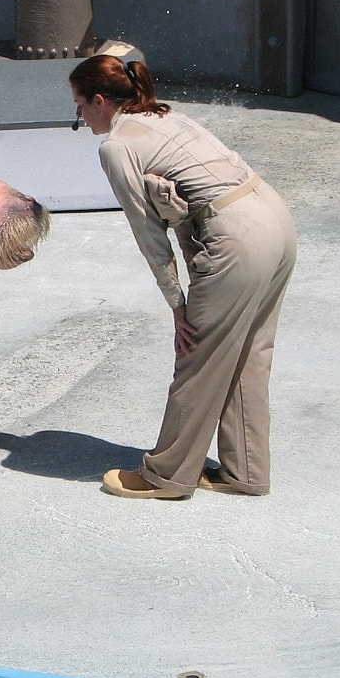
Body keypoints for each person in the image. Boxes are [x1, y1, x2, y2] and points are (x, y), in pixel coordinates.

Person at [69, 55, 297, 499]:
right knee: (248, 352)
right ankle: (245, 471)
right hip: (275, 220)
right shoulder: (166, 116)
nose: (78, 116)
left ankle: (166, 476)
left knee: (199, 356)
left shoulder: (117, 146)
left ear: (99, 101)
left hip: (238, 238)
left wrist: (178, 305)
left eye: (78, 105)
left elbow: (149, 235)